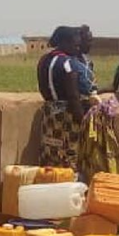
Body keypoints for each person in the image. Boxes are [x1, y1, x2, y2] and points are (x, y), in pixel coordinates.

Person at [37, 26, 85, 170]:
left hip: (49, 116)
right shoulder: (68, 63)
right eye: (75, 45)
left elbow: (42, 89)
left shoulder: (44, 60)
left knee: (50, 158)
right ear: (64, 42)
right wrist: (82, 120)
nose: (78, 49)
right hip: (67, 118)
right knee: (68, 161)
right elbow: (73, 96)